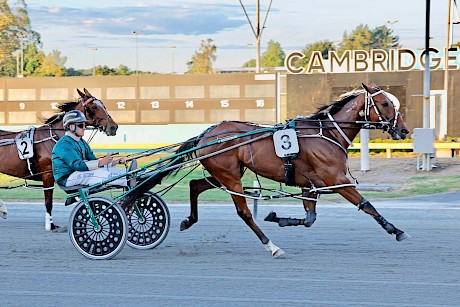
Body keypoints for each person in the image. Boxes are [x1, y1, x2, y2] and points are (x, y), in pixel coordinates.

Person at [52, 110, 129, 188]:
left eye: (85, 125)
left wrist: (113, 162)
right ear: (71, 127)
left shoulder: (82, 142)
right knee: (99, 174)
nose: (84, 128)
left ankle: (129, 174)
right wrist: (100, 163)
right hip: (67, 178)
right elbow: (77, 165)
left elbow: (93, 160)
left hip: (78, 174)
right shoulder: (63, 144)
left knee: (107, 171)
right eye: (81, 125)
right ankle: (127, 180)